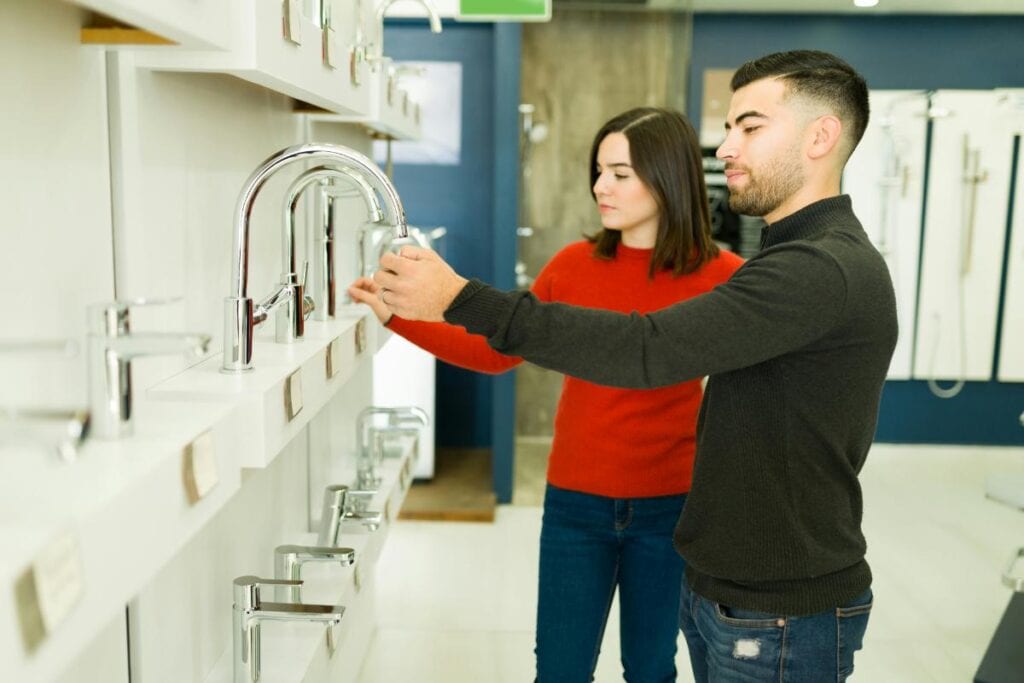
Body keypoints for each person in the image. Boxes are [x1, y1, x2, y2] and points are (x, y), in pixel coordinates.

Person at [371, 50, 898, 682]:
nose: (727, 147)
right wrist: (400, 315)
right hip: (711, 577)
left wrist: (458, 297)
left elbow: (644, 350)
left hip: (758, 590)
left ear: (821, 136)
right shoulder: (784, 260)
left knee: (649, 668)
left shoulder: (806, 269)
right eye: (728, 128)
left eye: (749, 128)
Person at [349, 107, 744, 682]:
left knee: (652, 667)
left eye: (619, 173)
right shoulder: (572, 266)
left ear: (668, 178)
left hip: (672, 509)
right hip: (575, 507)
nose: (599, 186)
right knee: (559, 670)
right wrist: (396, 317)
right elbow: (493, 353)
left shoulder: (725, 277)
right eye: (599, 170)